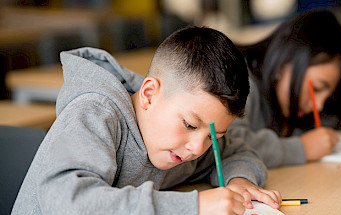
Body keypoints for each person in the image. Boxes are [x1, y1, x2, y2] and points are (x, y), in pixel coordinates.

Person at [12, 26, 281, 215]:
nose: (198, 149)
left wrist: (239, 181)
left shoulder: (181, 142)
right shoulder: (96, 114)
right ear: (149, 94)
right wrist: (193, 207)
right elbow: (67, 202)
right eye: (189, 125)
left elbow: (239, 150)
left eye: (214, 135)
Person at [228, 10, 341, 168]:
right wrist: (301, 148)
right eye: (316, 88)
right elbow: (226, 145)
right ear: (285, 62)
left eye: (328, 97)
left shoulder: (285, 106)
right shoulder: (235, 77)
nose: (318, 105)